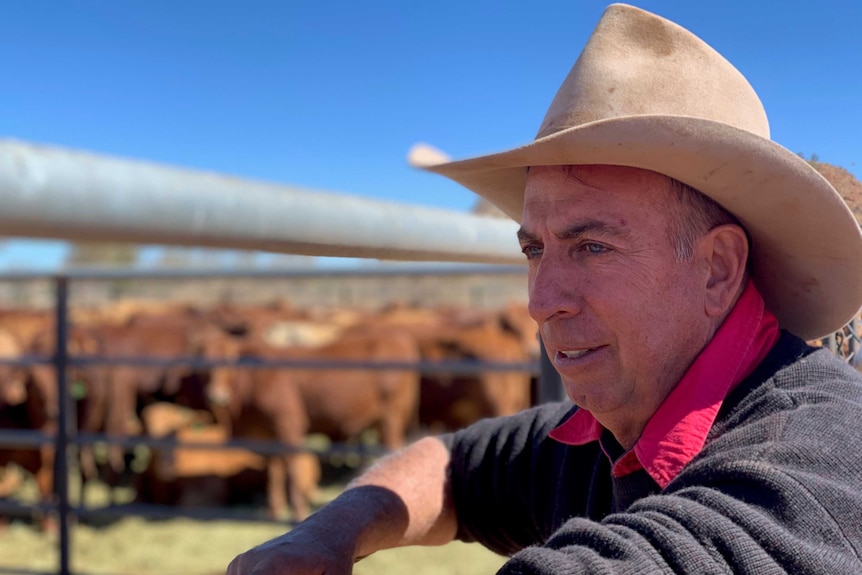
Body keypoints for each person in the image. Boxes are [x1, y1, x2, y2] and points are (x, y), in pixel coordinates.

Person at [227, 4, 862, 574]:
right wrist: (325, 535)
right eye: (535, 249)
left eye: (593, 247)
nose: (540, 300)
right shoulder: (607, 426)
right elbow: (452, 466)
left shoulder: (810, 471)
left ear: (718, 268)